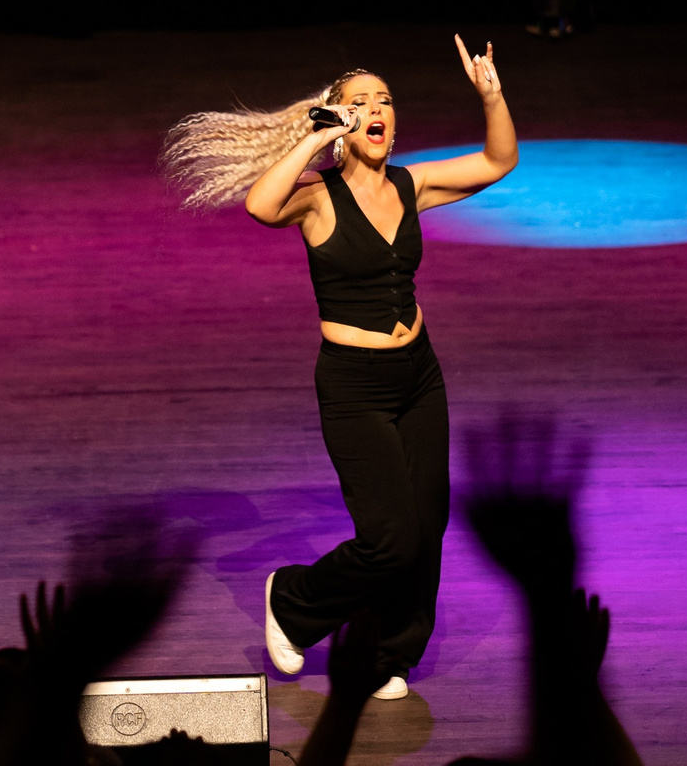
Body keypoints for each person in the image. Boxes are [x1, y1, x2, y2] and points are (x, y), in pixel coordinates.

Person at [163, 37, 518, 698]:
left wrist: (490, 91)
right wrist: (313, 137)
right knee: (390, 537)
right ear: (341, 121)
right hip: (355, 387)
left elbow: (499, 160)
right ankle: (292, 599)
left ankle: (390, 654)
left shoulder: (413, 184)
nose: (378, 110)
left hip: (419, 375)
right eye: (361, 102)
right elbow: (260, 206)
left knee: (427, 523)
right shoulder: (318, 197)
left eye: (385, 100)